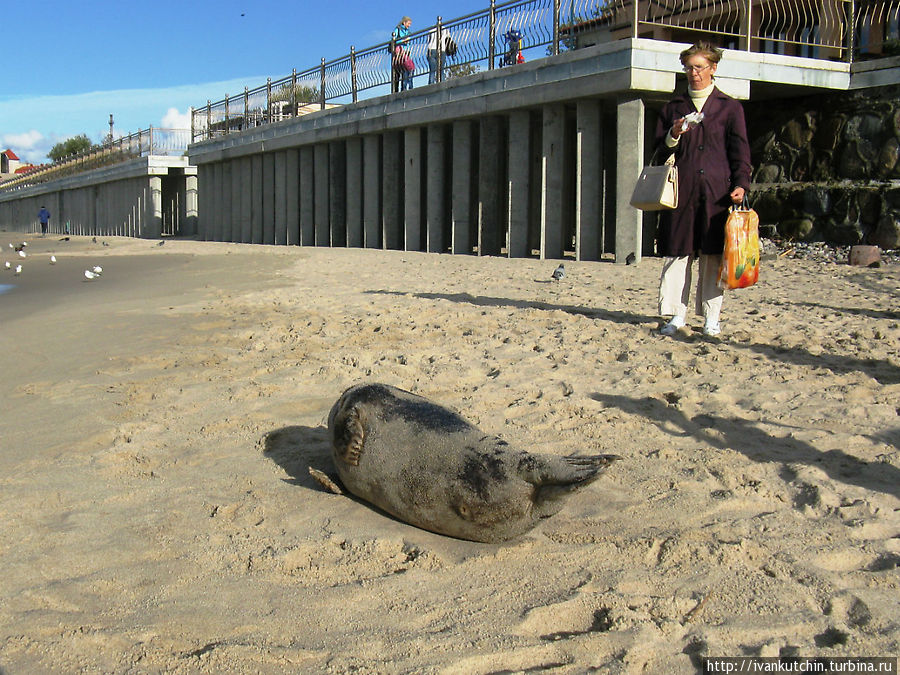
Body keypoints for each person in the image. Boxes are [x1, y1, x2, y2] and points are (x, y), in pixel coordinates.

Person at [654, 41, 751, 338]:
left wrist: (741, 184)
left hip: (717, 191)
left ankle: (711, 318)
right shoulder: (673, 108)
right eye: (689, 67)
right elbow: (658, 151)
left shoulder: (729, 107)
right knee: (677, 254)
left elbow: (740, 152)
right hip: (681, 190)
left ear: (713, 68)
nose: (694, 73)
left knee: (712, 256)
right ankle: (676, 314)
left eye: (699, 67)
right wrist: (674, 133)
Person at [391, 16, 414, 93]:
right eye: (408, 23)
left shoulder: (408, 31)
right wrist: (402, 41)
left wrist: (407, 41)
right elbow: (394, 41)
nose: (409, 25)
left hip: (406, 52)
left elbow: (409, 41)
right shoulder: (398, 29)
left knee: (408, 68)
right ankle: (397, 90)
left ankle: (406, 87)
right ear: (404, 23)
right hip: (399, 53)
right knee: (399, 71)